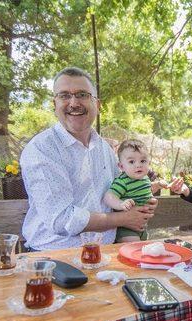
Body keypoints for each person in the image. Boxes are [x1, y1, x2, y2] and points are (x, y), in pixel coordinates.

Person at [20, 67, 156, 250]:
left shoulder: (104, 149)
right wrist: (124, 219)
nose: (73, 102)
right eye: (64, 95)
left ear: (97, 105)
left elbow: (121, 191)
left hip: (107, 252)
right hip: (53, 256)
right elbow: (61, 219)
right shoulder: (42, 149)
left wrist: (143, 203)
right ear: (55, 104)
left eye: (82, 95)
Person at [103, 139, 168, 242]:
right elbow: (108, 197)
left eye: (143, 161)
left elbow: (148, 189)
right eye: (131, 162)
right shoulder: (122, 182)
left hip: (142, 226)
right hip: (125, 228)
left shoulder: (145, 178)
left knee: (143, 252)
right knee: (135, 251)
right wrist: (121, 204)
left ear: (148, 162)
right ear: (121, 166)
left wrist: (158, 185)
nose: (138, 165)